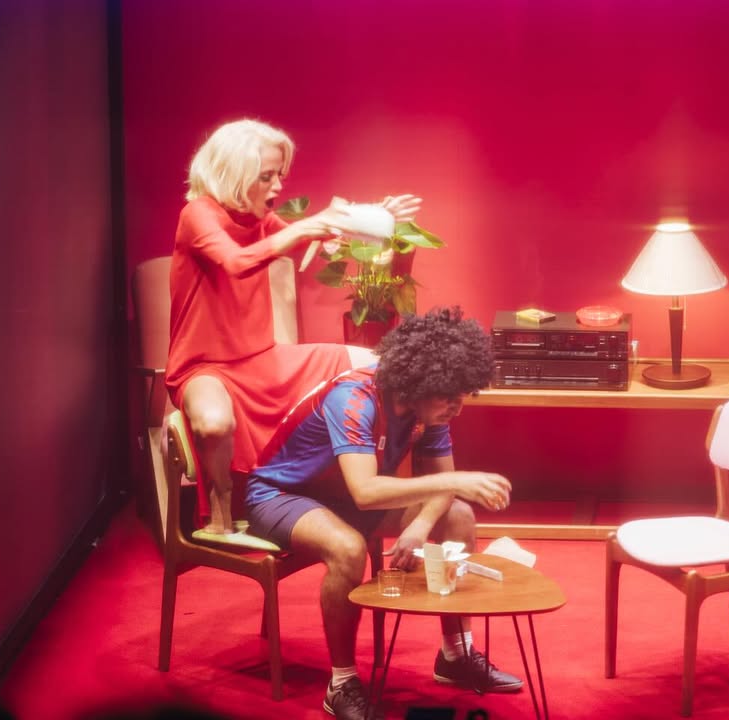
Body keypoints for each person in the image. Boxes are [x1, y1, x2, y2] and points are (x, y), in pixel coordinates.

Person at [245, 307, 522, 720]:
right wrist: (453, 481)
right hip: (280, 495)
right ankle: (341, 684)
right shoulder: (354, 398)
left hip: (344, 499)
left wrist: (421, 525)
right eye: (449, 395)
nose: (458, 407)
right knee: (347, 548)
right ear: (419, 381)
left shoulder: (428, 410)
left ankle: (456, 654)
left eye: (463, 395)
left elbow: (442, 486)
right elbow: (366, 492)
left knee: (459, 515)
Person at [165, 118, 421, 532]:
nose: (278, 187)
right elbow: (235, 263)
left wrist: (377, 217)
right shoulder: (198, 214)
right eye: (266, 176)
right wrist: (306, 225)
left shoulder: (259, 220)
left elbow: (319, 243)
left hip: (261, 359)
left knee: (372, 363)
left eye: (279, 175)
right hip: (204, 367)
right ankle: (221, 501)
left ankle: (361, 487)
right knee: (214, 423)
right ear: (236, 173)